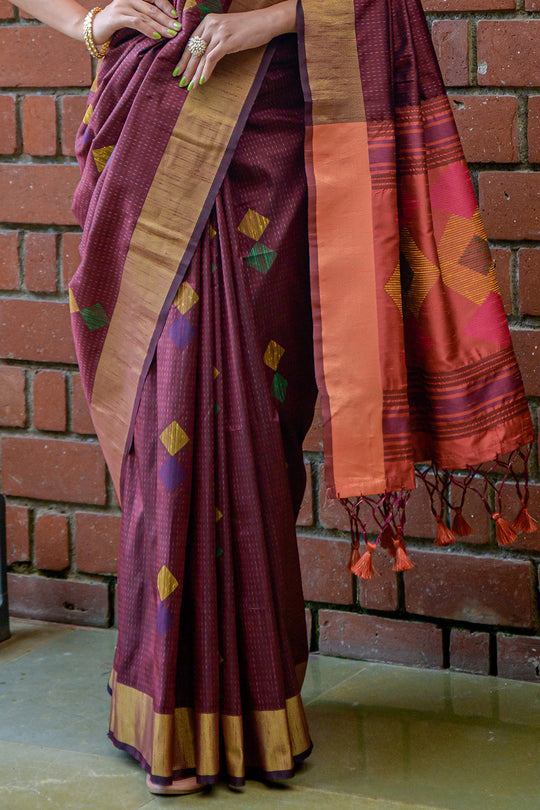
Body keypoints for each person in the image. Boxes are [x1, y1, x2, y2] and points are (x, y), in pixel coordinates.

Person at [14, 0, 534, 797]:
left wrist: (260, 24)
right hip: (154, 122)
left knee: (250, 421)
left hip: (278, 132)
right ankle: (166, 705)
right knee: (167, 419)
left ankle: (253, 696)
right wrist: (91, 22)